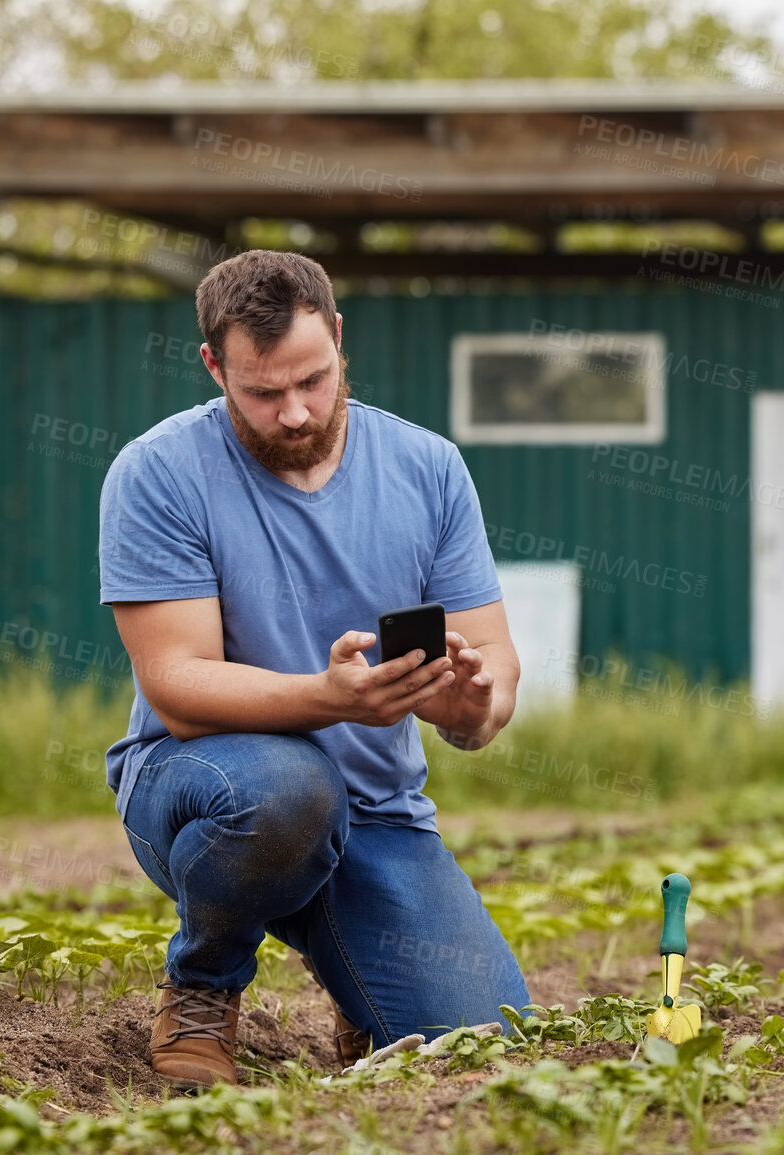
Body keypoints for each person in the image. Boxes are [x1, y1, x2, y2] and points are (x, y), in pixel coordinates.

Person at [97, 250, 530, 1089]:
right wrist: (327, 699)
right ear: (214, 367)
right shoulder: (158, 473)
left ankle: (354, 975)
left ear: (337, 338)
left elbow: (496, 663)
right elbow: (179, 687)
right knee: (291, 790)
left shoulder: (429, 469)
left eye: (313, 380)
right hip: (206, 784)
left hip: (377, 812)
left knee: (485, 1045)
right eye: (262, 392)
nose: (294, 413)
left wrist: (473, 704)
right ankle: (203, 984)